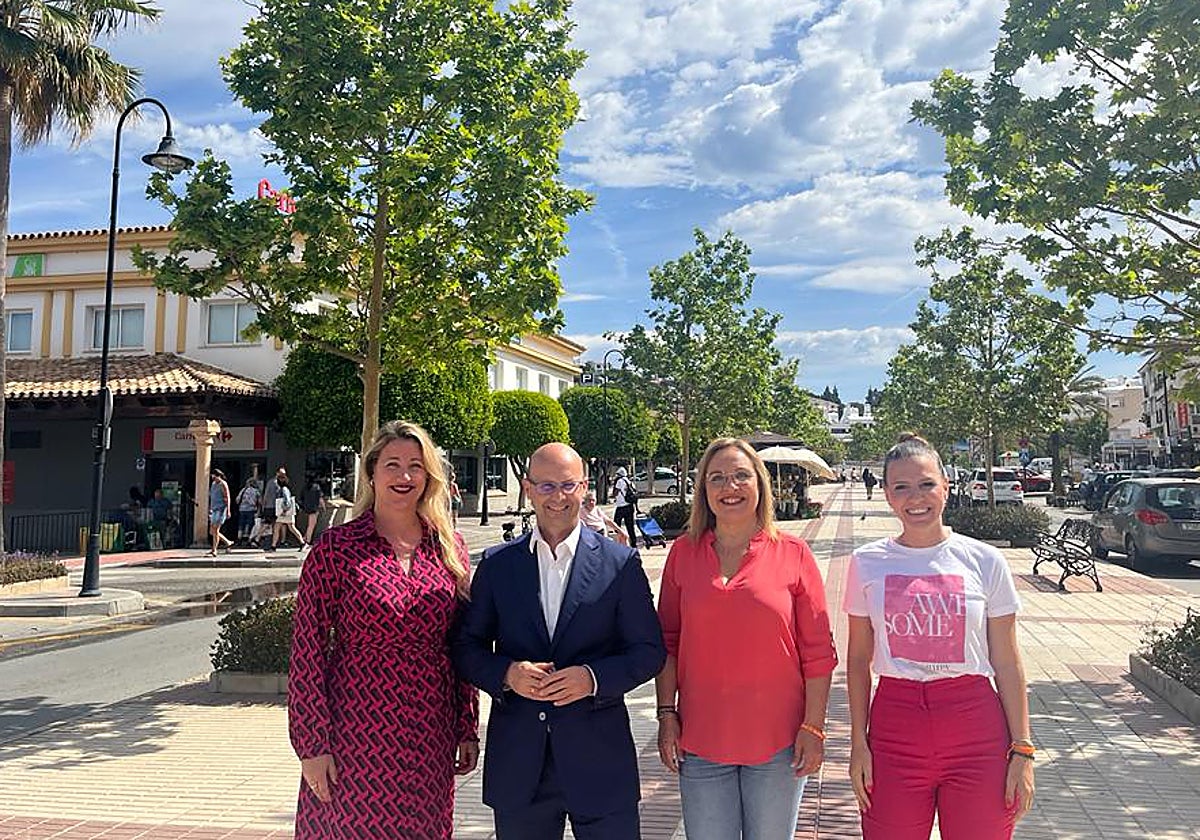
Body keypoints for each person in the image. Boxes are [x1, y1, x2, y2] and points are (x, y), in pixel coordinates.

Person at [453, 442, 665, 839]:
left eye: (568, 485)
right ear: (528, 489)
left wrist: (592, 679)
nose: (558, 497)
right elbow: (466, 648)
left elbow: (649, 651)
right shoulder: (497, 565)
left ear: (584, 487)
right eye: (546, 486)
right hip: (520, 767)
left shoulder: (620, 564)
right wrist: (507, 674)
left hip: (601, 763)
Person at [289, 420, 479, 839]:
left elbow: (461, 645)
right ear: (371, 472)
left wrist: (467, 726)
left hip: (429, 732)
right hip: (355, 731)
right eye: (392, 464)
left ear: (428, 477)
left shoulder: (448, 548)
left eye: (416, 465)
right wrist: (312, 745)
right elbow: (307, 651)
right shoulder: (336, 549)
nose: (404, 475)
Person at [843, 433, 1034, 840]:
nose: (916, 497)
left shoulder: (985, 560)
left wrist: (1023, 748)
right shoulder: (866, 562)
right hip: (895, 729)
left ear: (946, 487)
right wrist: (858, 743)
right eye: (901, 487)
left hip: (976, 730)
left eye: (927, 483)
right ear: (887, 495)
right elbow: (858, 661)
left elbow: (1007, 661)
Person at [655, 438, 837, 840]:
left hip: (779, 743)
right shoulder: (683, 553)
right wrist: (666, 715)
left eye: (741, 476)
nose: (730, 487)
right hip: (700, 739)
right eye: (716, 478)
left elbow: (818, 653)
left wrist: (814, 727)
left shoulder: (793, 553)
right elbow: (667, 641)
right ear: (703, 489)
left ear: (759, 484)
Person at [271, 473, 307, 551]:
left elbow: (287, 501)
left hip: (284, 512)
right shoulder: (285, 489)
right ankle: (273, 546)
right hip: (286, 512)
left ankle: (273, 546)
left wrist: (284, 510)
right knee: (290, 528)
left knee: (282, 528)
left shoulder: (283, 489)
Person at [207, 469, 233, 556]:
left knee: (216, 530)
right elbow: (212, 496)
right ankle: (227, 542)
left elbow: (227, 497)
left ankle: (214, 549)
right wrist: (210, 508)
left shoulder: (223, 484)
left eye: (214, 476)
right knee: (212, 531)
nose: (213, 477)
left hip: (220, 509)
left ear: (218, 476)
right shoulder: (213, 484)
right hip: (214, 509)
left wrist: (228, 510)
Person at [611, 466, 638, 548]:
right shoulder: (630, 482)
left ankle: (619, 541)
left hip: (621, 506)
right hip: (630, 506)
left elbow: (615, 493)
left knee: (616, 524)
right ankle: (633, 543)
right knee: (630, 526)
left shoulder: (619, 481)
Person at [300, 476, 327, 545]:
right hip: (314, 508)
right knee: (311, 525)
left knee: (310, 524)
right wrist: (324, 507)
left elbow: (301, 498)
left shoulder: (305, 488)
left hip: (307, 508)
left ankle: (305, 538)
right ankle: (307, 541)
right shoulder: (317, 487)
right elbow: (320, 498)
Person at [236, 477, 262, 545]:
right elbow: (259, 502)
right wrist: (258, 510)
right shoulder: (256, 491)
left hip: (242, 509)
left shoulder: (243, 490)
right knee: (249, 524)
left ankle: (239, 538)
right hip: (251, 509)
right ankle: (247, 537)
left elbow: (237, 500)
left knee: (241, 524)